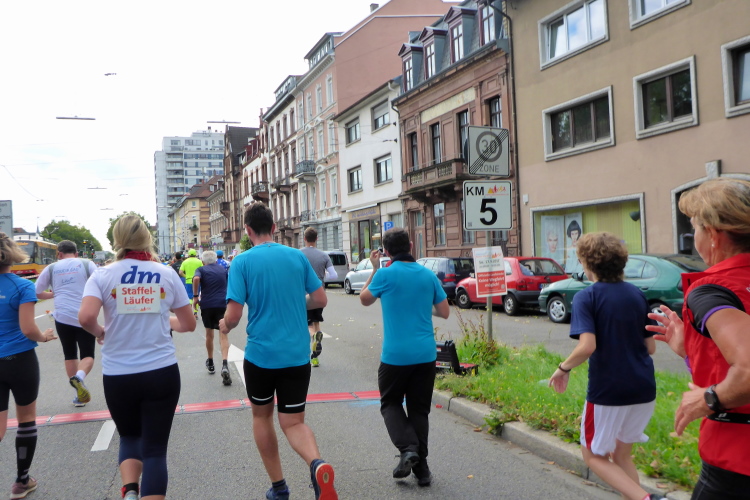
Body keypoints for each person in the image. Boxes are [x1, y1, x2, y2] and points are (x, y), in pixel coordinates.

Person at [219, 203, 337, 500]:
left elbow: (233, 316)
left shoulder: (241, 262)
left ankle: (279, 488)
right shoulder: (297, 257)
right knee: (294, 422)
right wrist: (297, 302)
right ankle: (317, 464)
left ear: (247, 231)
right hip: (297, 355)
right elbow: (320, 299)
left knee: (262, 417)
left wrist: (223, 325)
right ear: (273, 227)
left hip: (261, 356)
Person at [646, 178, 750, 499]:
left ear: (714, 235)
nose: (695, 241)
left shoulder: (712, 291)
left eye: (695, 231)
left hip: (736, 459)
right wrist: (690, 349)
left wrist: (708, 398)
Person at [78, 215, 195, 500]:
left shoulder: (102, 275)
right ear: (146, 238)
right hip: (161, 371)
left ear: (117, 240)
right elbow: (189, 324)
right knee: (155, 449)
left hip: (119, 374)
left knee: (129, 436)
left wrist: (100, 332)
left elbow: (86, 317)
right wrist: (166, 321)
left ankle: (130, 490)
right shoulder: (166, 273)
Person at [549, 232, 660, 500]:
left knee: (593, 455)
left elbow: (587, 346)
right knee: (621, 456)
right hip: (644, 388)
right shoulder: (636, 294)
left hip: (608, 391)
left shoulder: (587, 297)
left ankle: (649, 499)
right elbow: (651, 347)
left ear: (586, 263)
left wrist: (563, 368)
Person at [359, 227, 450, 487]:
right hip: (425, 354)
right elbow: (444, 312)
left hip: (395, 357)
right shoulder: (428, 275)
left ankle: (408, 449)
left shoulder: (385, 275)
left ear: (386, 252)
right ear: (411, 246)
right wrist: (421, 306)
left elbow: (364, 299)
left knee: (390, 403)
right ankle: (422, 470)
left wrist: (374, 269)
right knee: (419, 410)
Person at [0, 232, 57, 499]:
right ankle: (21, 481)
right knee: (25, 419)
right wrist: (44, 336)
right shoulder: (22, 286)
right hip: (19, 360)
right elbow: (28, 328)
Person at [34, 240, 98, 407]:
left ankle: (78, 394)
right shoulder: (87, 264)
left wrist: (53, 294)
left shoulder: (51, 268)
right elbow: (101, 285)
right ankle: (79, 377)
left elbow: (37, 292)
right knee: (87, 354)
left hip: (62, 317)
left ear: (59, 254)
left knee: (69, 354)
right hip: (85, 315)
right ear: (76, 253)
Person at [300, 227, 337, 368]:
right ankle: (315, 357)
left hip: (304, 295)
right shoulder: (324, 256)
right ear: (317, 239)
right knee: (316, 322)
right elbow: (334, 275)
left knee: (306, 325)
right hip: (320, 294)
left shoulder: (299, 254)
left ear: (304, 238)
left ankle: (313, 339)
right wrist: (322, 276)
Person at [192, 250, 231, 384]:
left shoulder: (201, 269)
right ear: (215, 260)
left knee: (209, 334)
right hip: (222, 304)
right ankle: (225, 364)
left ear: (203, 261)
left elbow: (196, 279)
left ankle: (211, 362)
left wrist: (195, 296)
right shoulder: (222, 269)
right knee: (223, 334)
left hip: (207, 305)